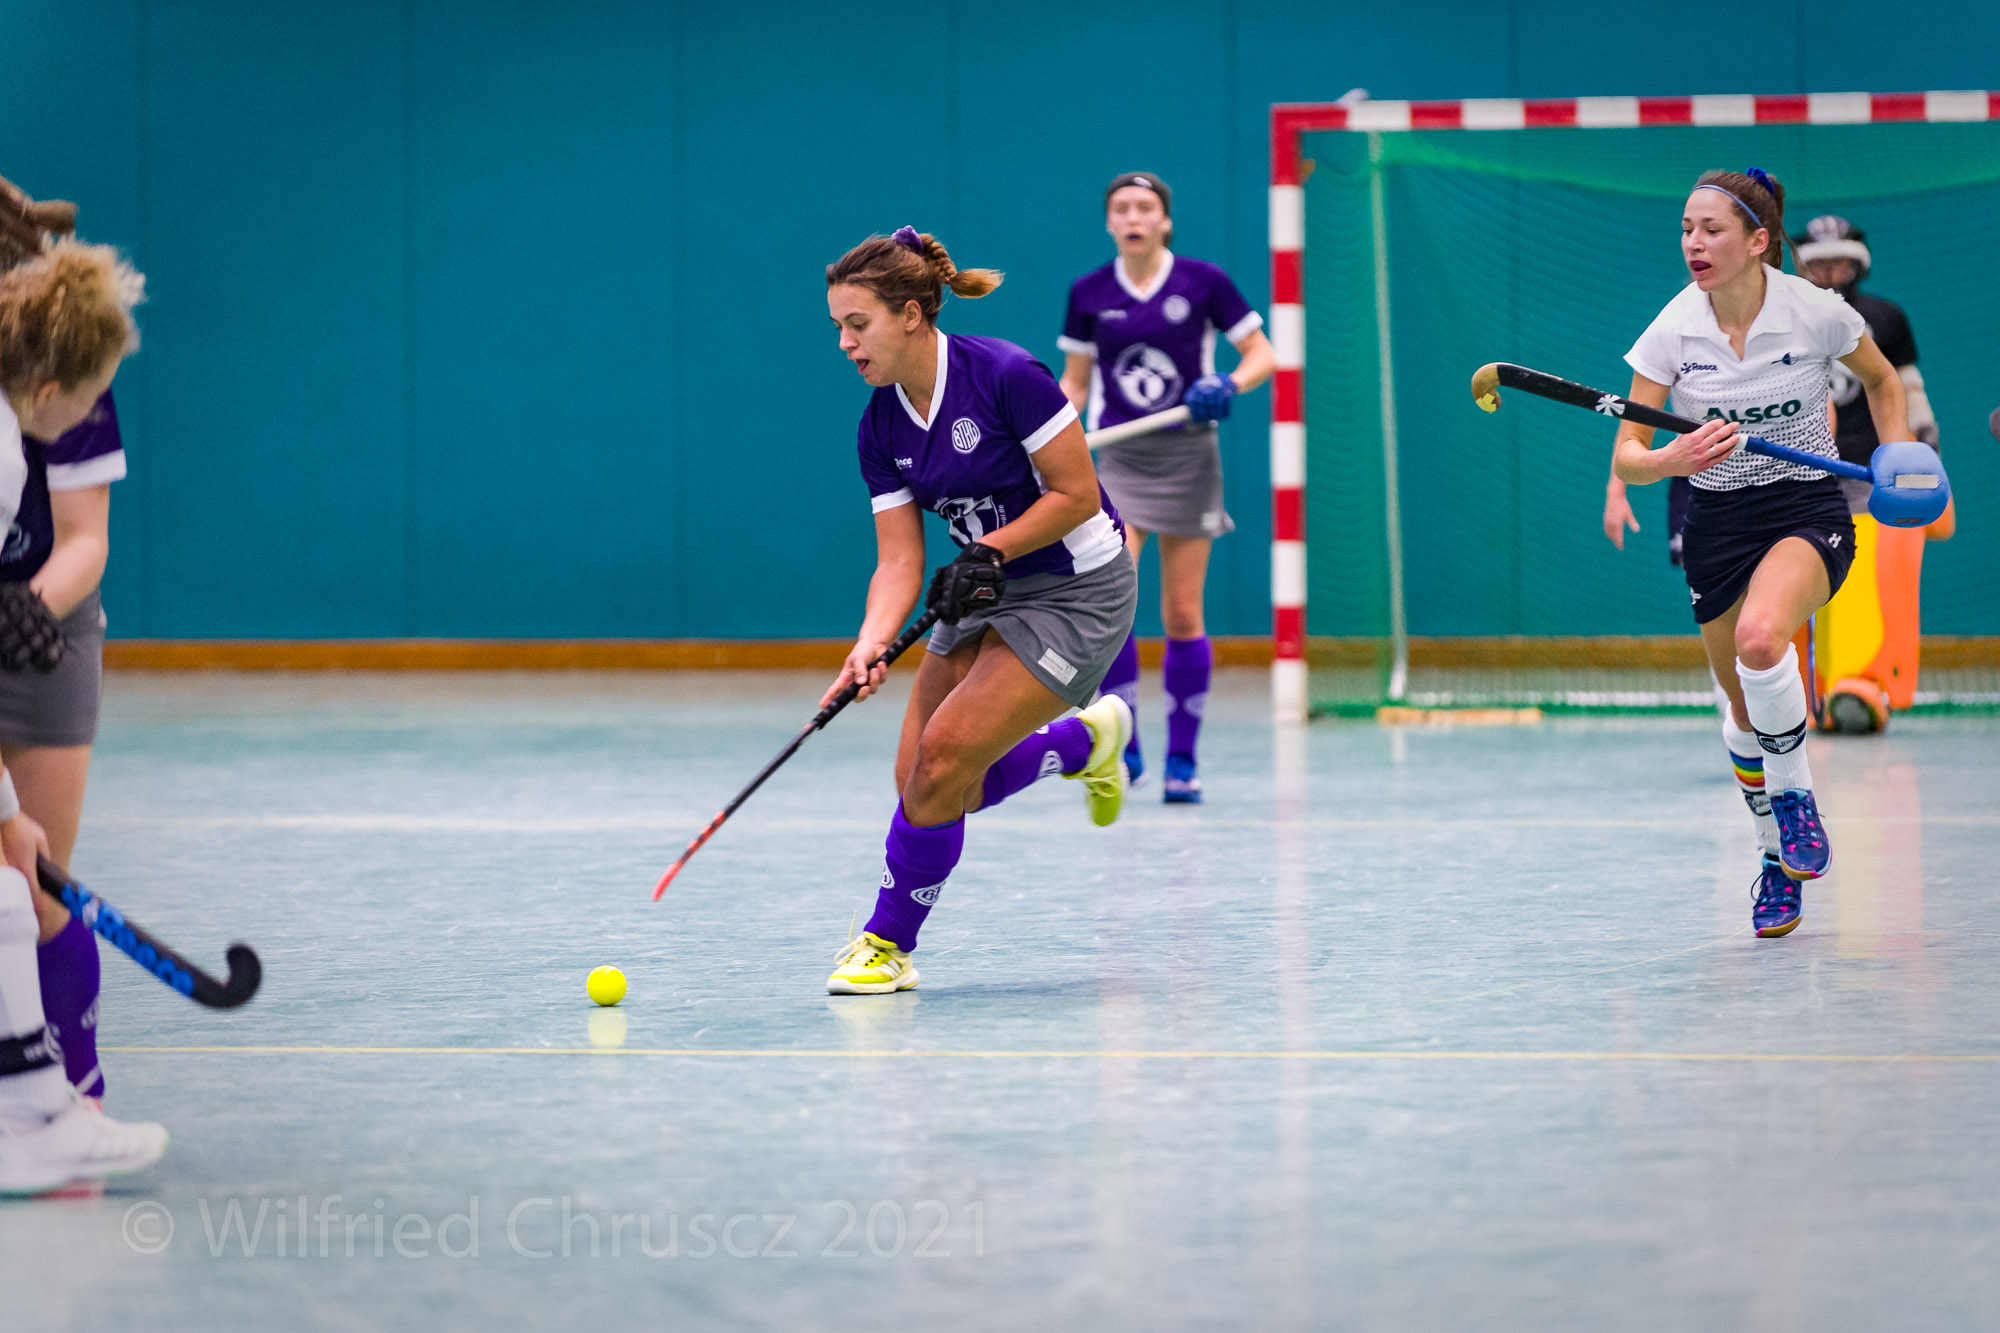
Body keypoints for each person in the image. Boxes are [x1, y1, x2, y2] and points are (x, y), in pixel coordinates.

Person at [823, 227, 1138, 994]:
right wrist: (869, 644)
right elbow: (899, 560)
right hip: (985, 585)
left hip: (1075, 589)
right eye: (838, 327)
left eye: (856, 324)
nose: (844, 344)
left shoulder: (1005, 374)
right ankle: (1083, 742)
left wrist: (990, 548)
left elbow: (1077, 495)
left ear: (910, 314)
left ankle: (886, 944)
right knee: (925, 783)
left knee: (941, 760)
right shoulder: (879, 427)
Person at [1612, 169, 1909, 939]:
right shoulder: (1673, 329)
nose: (1694, 242)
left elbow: (1883, 383)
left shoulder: (1815, 310)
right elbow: (1629, 456)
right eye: (1686, 228)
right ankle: (1776, 857)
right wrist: (1672, 460)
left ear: (1757, 241)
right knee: (1744, 714)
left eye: (1711, 229)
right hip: (1716, 521)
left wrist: (1899, 455)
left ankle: (1797, 797)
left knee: (1761, 639)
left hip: (1805, 507)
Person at [0, 236, 165, 1192]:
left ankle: (74, 1097)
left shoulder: (72, 379)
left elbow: (83, 539)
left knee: (32, 884)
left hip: (42, 627)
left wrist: (26, 608)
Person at [1057, 173, 1273, 802]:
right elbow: (1076, 382)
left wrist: (1228, 383)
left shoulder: (1204, 282)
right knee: (1112, 605)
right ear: (1109, 222)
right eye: (1122, 209)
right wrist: (1049, 431)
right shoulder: (1089, 292)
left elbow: (1261, 354)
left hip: (1189, 455)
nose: (1134, 218)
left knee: (1181, 613)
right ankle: (1123, 746)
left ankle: (1183, 759)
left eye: (1145, 208)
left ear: (1165, 221)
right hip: (1118, 459)